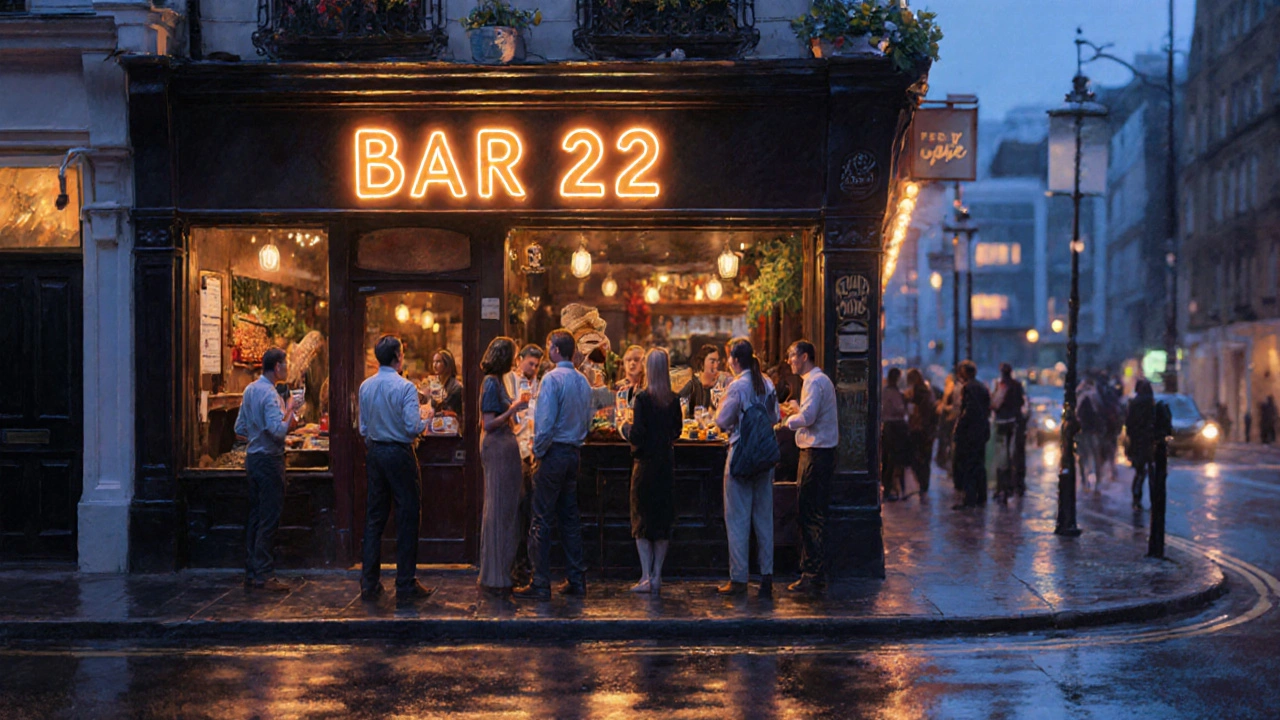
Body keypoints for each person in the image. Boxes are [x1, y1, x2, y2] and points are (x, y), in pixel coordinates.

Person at [514, 329, 593, 600]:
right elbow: (587, 422)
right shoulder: (583, 381)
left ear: (555, 350)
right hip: (574, 454)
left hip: (554, 454)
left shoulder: (551, 379)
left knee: (541, 519)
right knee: (570, 518)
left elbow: (545, 425)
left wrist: (537, 451)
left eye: (549, 346)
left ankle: (540, 582)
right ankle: (576, 578)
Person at [358, 335, 435, 603]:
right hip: (400, 454)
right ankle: (404, 583)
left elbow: (363, 429)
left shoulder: (365, 387)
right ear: (398, 357)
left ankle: (368, 583)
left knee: (374, 519)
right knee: (407, 517)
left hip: (376, 453)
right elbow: (413, 426)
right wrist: (426, 415)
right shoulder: (405, 388)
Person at [714, 337, 779, 598]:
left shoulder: (737, 386)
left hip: (741, 456)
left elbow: (721, 420)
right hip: (764, 458)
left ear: (735, 360)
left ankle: (739, 578)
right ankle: (767, 576)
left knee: (738, 519)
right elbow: (774, 418)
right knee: (764, 518)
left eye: (729, 357)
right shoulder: (768, 383)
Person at [234, 347, 298, 592]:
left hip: (253, 458)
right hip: (269, 461)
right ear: (277, 367)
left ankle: (251, 572)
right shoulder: (271, 395)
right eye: (286, 364)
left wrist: (256, 436)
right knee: (269, 517)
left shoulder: (250, 389)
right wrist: (290, 407)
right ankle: (264, 574)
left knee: (255, 516)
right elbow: (278, 431)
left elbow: (239, 427)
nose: (288, 368)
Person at [781, 340, 838, 594]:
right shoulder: (818, 380)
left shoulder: (813, 382)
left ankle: (812, 573)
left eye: (792, 356)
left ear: (804, 356)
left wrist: (785, 421)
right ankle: (815, 571)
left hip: (815, 452)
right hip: (821, 452)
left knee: (809, 512)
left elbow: (808, 417)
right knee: (814, 511)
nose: (789, 361)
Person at [625, 348, 683, 594]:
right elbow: (678, 431)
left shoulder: (642, 398)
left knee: (642, 521)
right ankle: (658, 575)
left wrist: (624, 428)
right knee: (662, 521)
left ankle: (645, 575)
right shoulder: (673, 399)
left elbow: (637, 434)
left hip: (645, 466)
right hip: (666, 465)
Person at [477, 337, 529, 594]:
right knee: (498, 508)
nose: (516, 361)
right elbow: (488, 422)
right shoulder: (490, 383)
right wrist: (515, 408)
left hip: (503, 446)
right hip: (496, 447)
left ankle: (501, 570)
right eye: (514, 356)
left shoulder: (497, 381)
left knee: (506, 508)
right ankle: (495, 575)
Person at [504, 344, 543, 586]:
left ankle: (526, 564)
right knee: (518, 511)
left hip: (531, 452)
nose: (533, 369)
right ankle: (517, 565)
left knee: (529, 511)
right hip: (515, 452)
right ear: (519, 360)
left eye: (537, 365)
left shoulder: (539, 383)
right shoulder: (510, 380)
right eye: (530, 363)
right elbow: (510, 414)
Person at [952, 360, 990, 509]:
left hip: (970, 433)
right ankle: (981, 496)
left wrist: (959, 428)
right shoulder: (982, 387)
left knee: (968, 465)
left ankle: (970, 498)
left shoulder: (968, 388)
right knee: (979, 464)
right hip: (981, 431)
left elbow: (968, 410)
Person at [991, 363, 1026, 503]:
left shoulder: (1001, 386)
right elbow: (1021, 402)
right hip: (1014, 423)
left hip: (1002, 423)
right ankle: (1014, 485)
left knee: (1002, 457)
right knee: (1013, 456)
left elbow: (994, 404)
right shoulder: (1016, 385)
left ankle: (1003, 487)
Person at [905, 368, 938, 496]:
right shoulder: (928, 391)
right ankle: (924, 484)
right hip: (927, 429)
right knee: (926, 458)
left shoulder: (916, 393)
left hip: (918, 428)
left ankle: (921, 482)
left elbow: (913, 410)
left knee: (916, 457)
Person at [1125, 379, 1158, 510]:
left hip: (1137, 443)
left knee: (1139, 473)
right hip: (1150, 442)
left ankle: (1136, 499)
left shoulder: (1134, 403)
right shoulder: (1152, 403)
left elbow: (1129, 425)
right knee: (1152, 473)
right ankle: (1154, 499)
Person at [880, 368, 909, 501]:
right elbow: (899, 409)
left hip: (888, 426)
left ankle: (889, 487)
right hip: (895, 427)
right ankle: (894, 488)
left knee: (888, 458)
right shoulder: (894, 393)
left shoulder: (885, 392)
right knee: (895, 459)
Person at [1075, 378, 1106, 488]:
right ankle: (1095, 480)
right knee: (1094, 455)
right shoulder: (1095, 396)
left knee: (1084, 455)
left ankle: (1085, 479)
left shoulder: (1081, 396)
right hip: (1092, 430)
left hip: (1085, 430)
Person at [680, 344, 722, 417]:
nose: (716, 365)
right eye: (712, 362)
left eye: (717, 361)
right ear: (702, 363)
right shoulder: (691, 383)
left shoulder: (720, 384)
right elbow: (681, 407)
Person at [936, 373, 959, 488]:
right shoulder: (948, 391)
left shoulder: (951, 391)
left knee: (948, 444)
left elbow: (954, 406)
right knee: (947, 445)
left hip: (949, 421)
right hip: (947, 421)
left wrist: (944, 407)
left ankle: (951, 468)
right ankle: (950, 468)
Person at [430, 349, 464, 417]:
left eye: (438, 361)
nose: (435, 365)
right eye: (434, 362)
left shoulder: (456, 387)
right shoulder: (435, 384)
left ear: (447, 364)